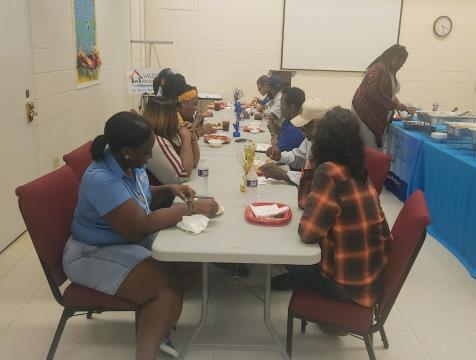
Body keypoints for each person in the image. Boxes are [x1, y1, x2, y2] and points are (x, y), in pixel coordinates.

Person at [62, 111, 218, 360]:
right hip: (90, 253)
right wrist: (191, 207)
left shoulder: (128, 162)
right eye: (146, 152)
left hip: (123, 242)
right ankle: (148, 350)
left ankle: (157, 323)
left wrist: (169, 189)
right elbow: (139, 226)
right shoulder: (102, 178)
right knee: (166, 291)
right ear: (127, 151)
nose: (149, 157)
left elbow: (139, 196)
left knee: (191, 266)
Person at [273, 107, 392, 312]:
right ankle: (297, 280)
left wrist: (312, 165)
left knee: (277, 251)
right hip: (367, 278)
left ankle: (302, 284)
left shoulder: (329, 172)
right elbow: (305, 202)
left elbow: (308, 234)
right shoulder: (356, 167)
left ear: (322, 140)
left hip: (345, 286)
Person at [352, 44, 415, 149]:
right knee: (368, 148)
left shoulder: (388, 70)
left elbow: (389, 94)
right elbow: (373, 93)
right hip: (364, 114)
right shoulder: (378, 69)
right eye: (402, 61)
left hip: (372, 113)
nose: (402, 65)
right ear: (394, 58)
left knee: (371, 148)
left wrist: (401, 105)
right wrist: (397, 106)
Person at [260, 98, 330, 185]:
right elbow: (298, 156)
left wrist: (284, 174)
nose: (302, 131)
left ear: (320, 124)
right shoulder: (310, 139)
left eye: (306, 126)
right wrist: (280, 156)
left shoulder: (329, 149)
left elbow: (316, 181)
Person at [143, 96, 200, 184]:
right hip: (164, 195)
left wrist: (192, 137)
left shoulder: (172, 135)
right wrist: (186, 139)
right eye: (175, 114)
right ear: (170, 117)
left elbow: (194, 163)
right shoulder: (155, 142)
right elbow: (184, 175)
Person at [268, 86, 305, 152]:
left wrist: (274, 140)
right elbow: (281, 134)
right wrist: (274, 126)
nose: (280, 108)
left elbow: (276, 152)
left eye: (282, 105)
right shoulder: (289, 119)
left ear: (292, 107)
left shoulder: (295, 130)